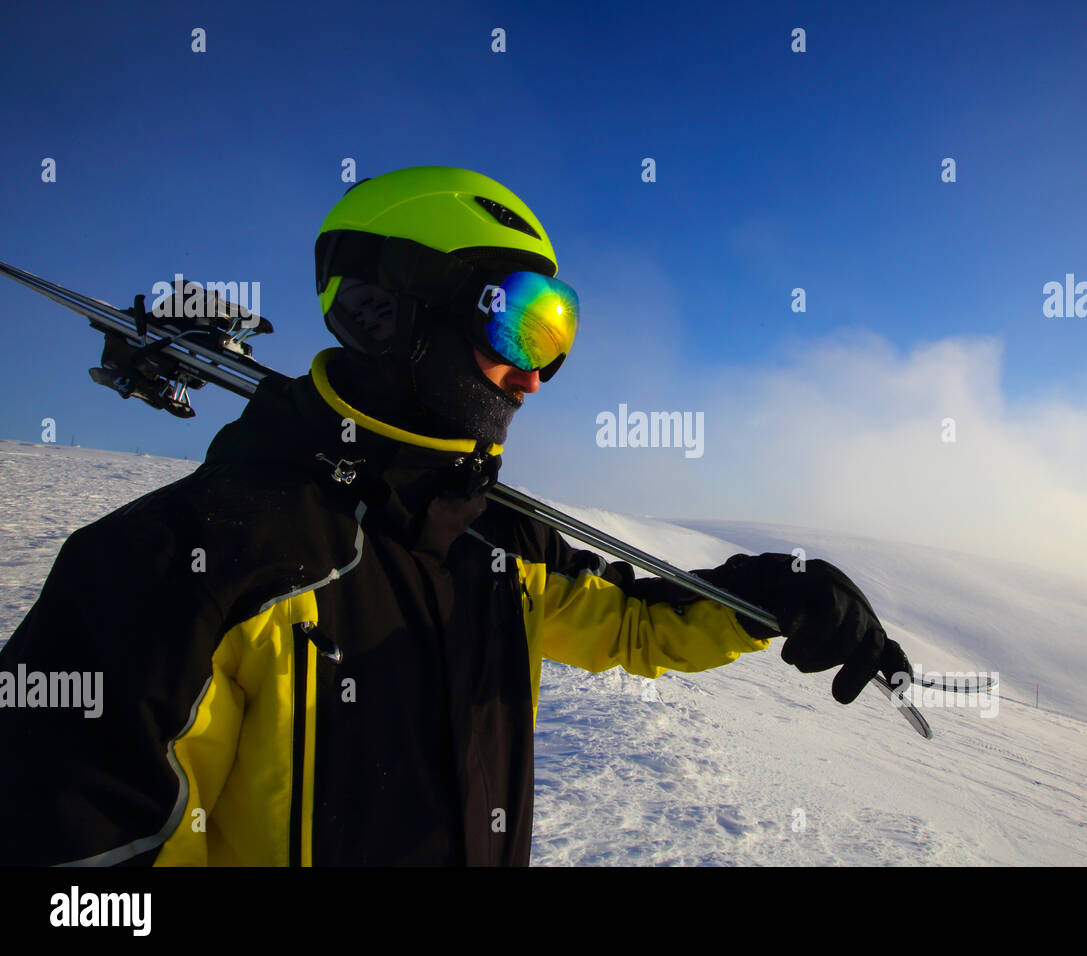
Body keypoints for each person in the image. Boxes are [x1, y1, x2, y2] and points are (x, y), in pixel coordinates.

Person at [0, 166, 912, 866]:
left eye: (557, 336)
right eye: (519, 324)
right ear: (387, 313)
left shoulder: (497, 541)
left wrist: (773, 592)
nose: (535, 375)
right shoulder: (176, 567)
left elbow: (636, 622)